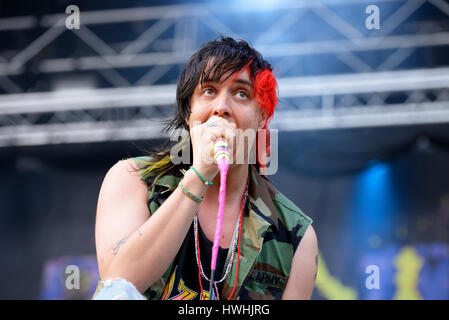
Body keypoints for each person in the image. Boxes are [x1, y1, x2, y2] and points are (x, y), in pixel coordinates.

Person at [92, 36, 318, 300]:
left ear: (263, 117)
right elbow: (118, 286)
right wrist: (199, 175)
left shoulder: (296, 235)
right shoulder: (132, 180)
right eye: (209, 90)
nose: (221, 108)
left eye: (241, 93)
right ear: (189, 112)